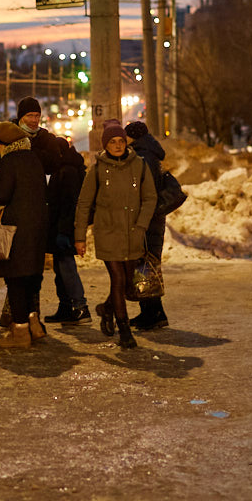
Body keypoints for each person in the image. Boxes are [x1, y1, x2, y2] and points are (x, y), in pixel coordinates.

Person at [74, 118, 156, 349]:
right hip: (108, 232)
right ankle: (124, 329)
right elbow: (83, 204)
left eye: (121, 141)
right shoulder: (98, 169)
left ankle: (107, 309)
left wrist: (141, 226)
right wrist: (80, 237)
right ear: (106, 145)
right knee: (118, 279)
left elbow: (150, 198)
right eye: (113, 142)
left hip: (132, 233)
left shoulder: (138, 165)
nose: (118, 145)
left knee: (128, 282)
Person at [0, 120, 50, 348]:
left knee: (15, 279)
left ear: (3, 144)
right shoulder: (33, 159)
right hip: (38, 226)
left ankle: (20, 332)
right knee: (31, 277)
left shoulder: (10, 162)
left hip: (17, 230)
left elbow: (1, 195)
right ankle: (34, 324)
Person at [126, 120, 169, 330]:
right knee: (147, 264)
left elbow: (144, 191)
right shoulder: (149, 153)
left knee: (146, 265)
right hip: (153, 217)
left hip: (148, 218)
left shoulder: (143, 156)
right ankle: (154, 312)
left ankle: (152, 314)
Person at [44, 137, 91, 323]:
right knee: (61, 270)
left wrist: (64, 232)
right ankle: (65, 308)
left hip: (64, 229)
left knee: (67, 268)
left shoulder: (67, 170)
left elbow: (70, 204)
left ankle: (80, 307)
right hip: (60, 228)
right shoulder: (65, 167)